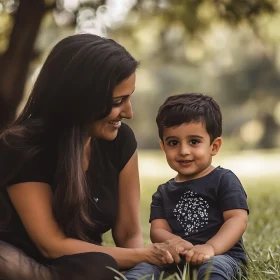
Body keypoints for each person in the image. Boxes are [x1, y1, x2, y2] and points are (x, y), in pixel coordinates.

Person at [0, 34, 177, 280]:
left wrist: (142, 266)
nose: (129, 112)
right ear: (81, 99)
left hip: (82, 264)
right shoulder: (22, 147)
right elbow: (51, 245)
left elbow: (128, 236)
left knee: (99, 266)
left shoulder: (121, 141)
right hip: (23, 259)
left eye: (129, 97)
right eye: (118, 101)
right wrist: (145, 256)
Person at [127, 93, 249, 280]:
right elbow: (158, 230)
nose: (184, 151)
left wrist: (210, 248)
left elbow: (237, 220)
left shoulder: (224, 180)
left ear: (214, 146)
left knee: (214, 269)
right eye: (173, 143)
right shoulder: (163, 192)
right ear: (163, 147)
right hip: (176, 261)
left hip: (222, 256)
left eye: (194, 142)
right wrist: (176, 242)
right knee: (144, 268)